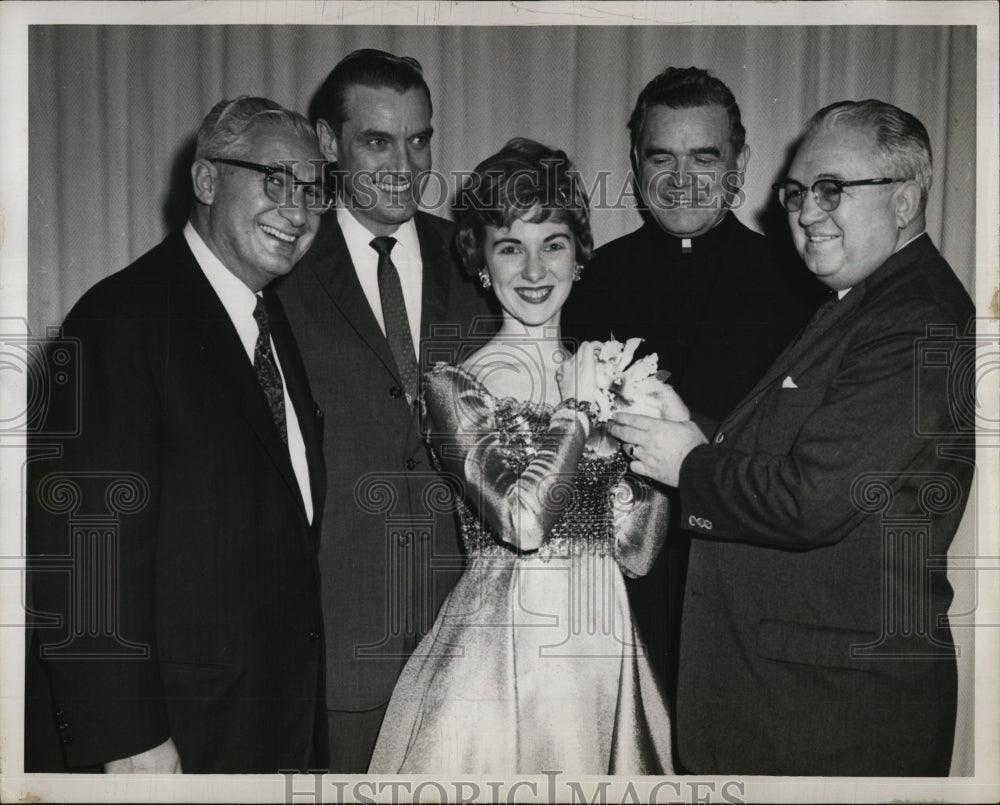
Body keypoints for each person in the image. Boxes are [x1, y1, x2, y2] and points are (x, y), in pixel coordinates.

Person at [609, 100, 975, 775]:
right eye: (799, 192)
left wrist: (690, 464)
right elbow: (802, 454)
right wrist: (693, 430)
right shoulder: (865, 302)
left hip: (832, 716)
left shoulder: (915, 318)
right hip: (803, 700)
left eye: (833, 189)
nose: (807, 213)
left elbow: (812, 498)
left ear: (906, 197)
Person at [26, 97, 330, 773]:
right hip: (169, 741)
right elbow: (84, 555)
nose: (299, 210)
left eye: (313, 190)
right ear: (206, 181)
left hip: (267, 729)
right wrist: (127, 739)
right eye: (276, 180)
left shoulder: (271, 324)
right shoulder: (120, 320)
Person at [367, 138, 674, 775]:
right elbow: (522, 523)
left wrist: (656, 445)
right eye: (511, 246)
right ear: (481, 260)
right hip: (507, 651)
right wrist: (581, 417)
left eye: (553, 244)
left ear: (579, 256)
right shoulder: (455, 386)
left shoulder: (604, 371)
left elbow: (638, 552)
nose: (534, 270)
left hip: (603, 641)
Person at [561, 66, 823, 721]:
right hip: (615, 592)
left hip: (744, 588)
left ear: (740, 163)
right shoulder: (590, 280)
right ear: (635, 163)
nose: (681, 178)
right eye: (662, 156)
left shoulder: (800, 285)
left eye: (704, 157)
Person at [274, 49, 496, 771]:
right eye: (378, 140)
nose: (406, 162)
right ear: (329, 143)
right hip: (339, 648)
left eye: (420, 138)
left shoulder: (477, 261)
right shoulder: (282, 265)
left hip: (465, 640)